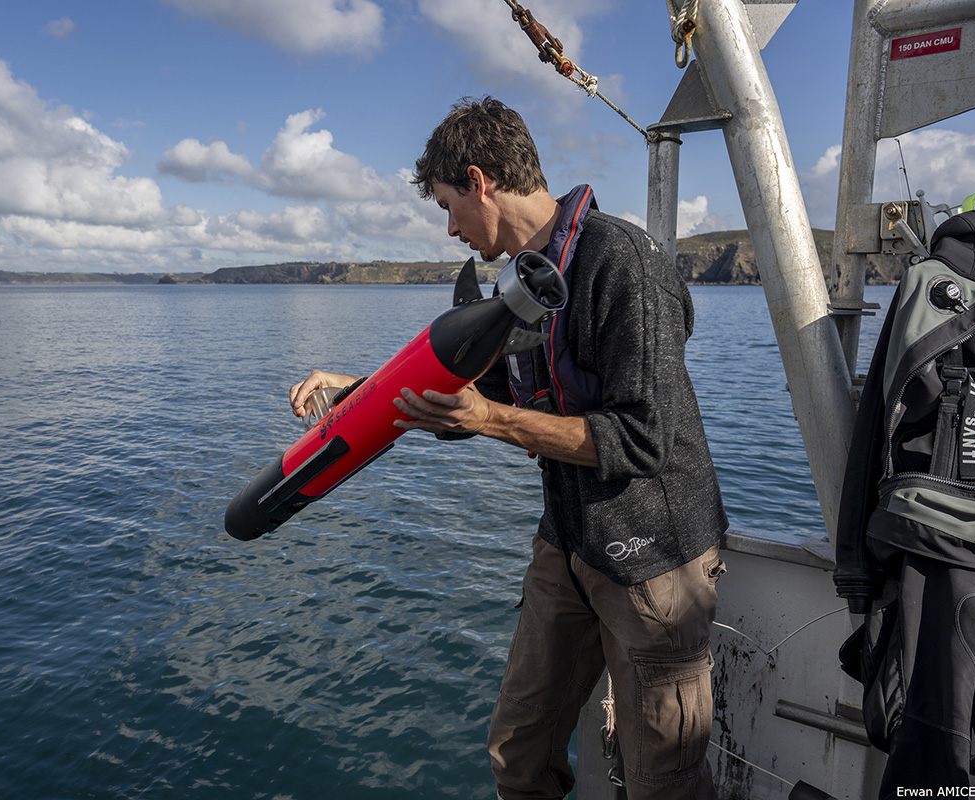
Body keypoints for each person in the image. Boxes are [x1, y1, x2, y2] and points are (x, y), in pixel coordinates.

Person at [290, 96, 728, 800]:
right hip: (569, 542)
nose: (451, 229)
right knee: (518, 753)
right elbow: (480, 385)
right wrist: (358, 389)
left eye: (448, 207)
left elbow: (641, 438)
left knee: (662, 783)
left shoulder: (621, 261)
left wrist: (490, 421)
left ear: (479, 180)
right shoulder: (524, 282)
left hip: (655, 558)